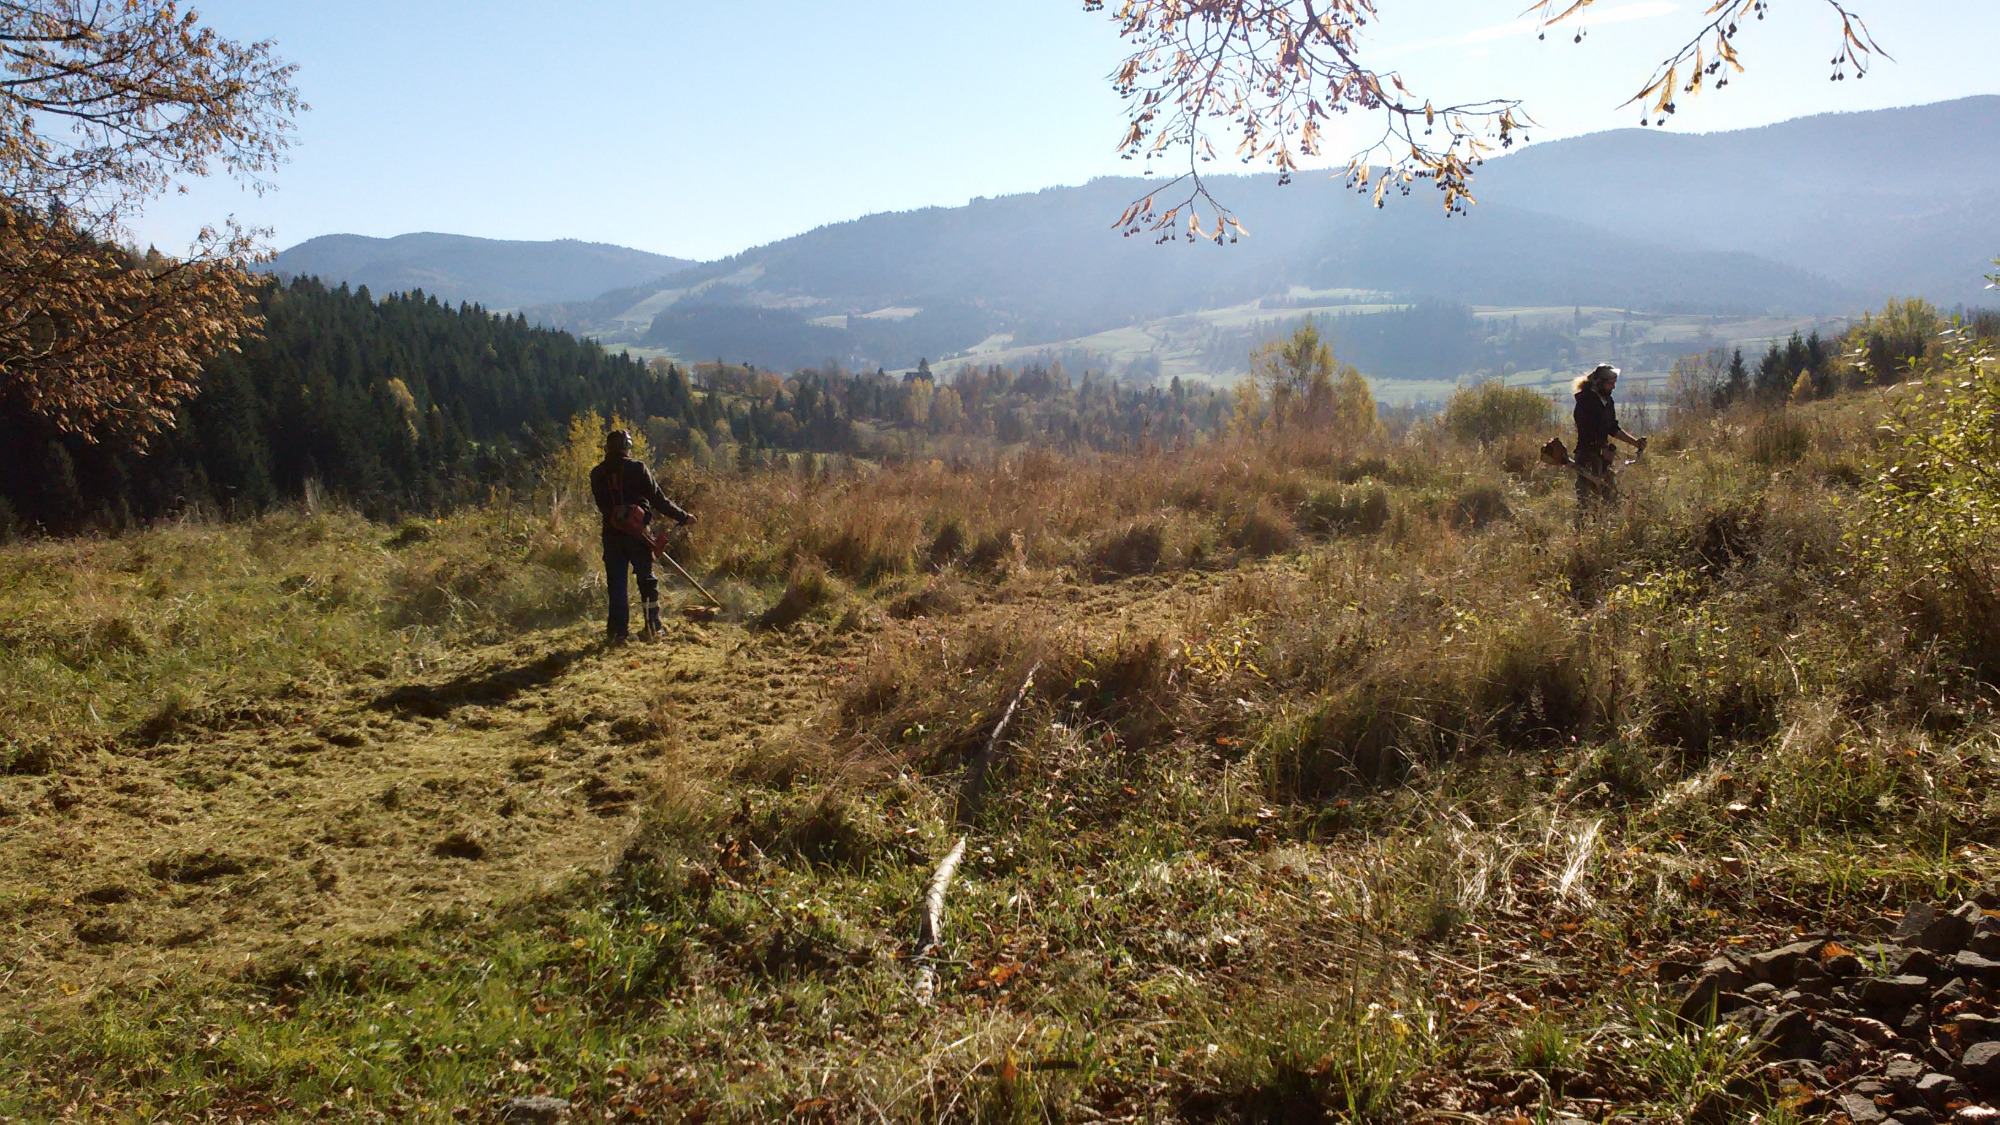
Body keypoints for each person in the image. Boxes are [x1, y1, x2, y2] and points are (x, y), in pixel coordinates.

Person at [589, 430, 694, 642]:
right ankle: (652, 628)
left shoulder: (597, 474)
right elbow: (658, 499)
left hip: (611, 536)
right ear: (627, 446)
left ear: (607, 449)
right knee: (647, 581)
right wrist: (683, 516)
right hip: (639, 535)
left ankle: (618, 633)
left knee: (616, 584)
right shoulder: (637, 468)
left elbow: (604, 507)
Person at [1572, 363, 1645, 516]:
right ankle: (1581, 533)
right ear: (1599, 382)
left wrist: (1635, 443)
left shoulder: (1607, 401)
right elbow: (1587, 428)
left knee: (1610, 497)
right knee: (1586, 501)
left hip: (1603, 458)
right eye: (1610, 384)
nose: (1612, 387)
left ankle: (1605, 528)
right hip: (1587, 456)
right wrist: (1601, 448)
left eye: (1614, 384)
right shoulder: (1585, 401)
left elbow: (1613, 428)